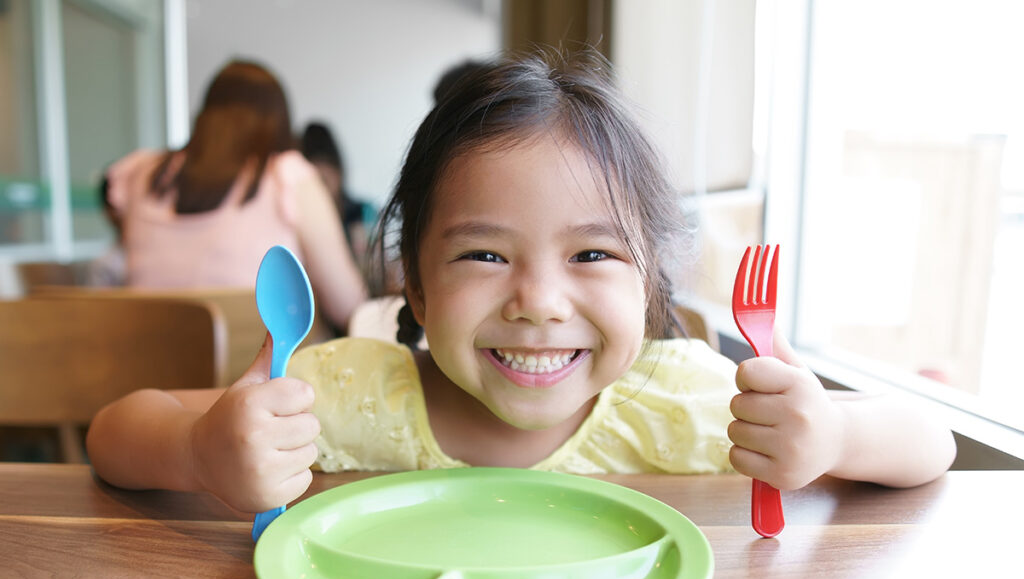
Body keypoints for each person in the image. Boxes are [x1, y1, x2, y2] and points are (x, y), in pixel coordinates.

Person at [86, 52, 955, 514]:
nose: (539, 300)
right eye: (485, 255)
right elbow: (115, 434)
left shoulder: (688, 397)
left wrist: (832, 436)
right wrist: (201, 452)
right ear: (414, 288)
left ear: (649, 281)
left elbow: (931, 441)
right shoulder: (343, 388)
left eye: (591, 255)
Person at [103, 59, 366, 332]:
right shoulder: (287, 176)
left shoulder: (143, 174)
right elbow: (347, 306)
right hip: (263, 371)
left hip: (145, 367)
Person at [299, 121, 373, 270]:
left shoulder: (363, 212)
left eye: (324, 181)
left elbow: (375, 268)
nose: (318, 192)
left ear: (338, 172)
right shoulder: (301, 223)